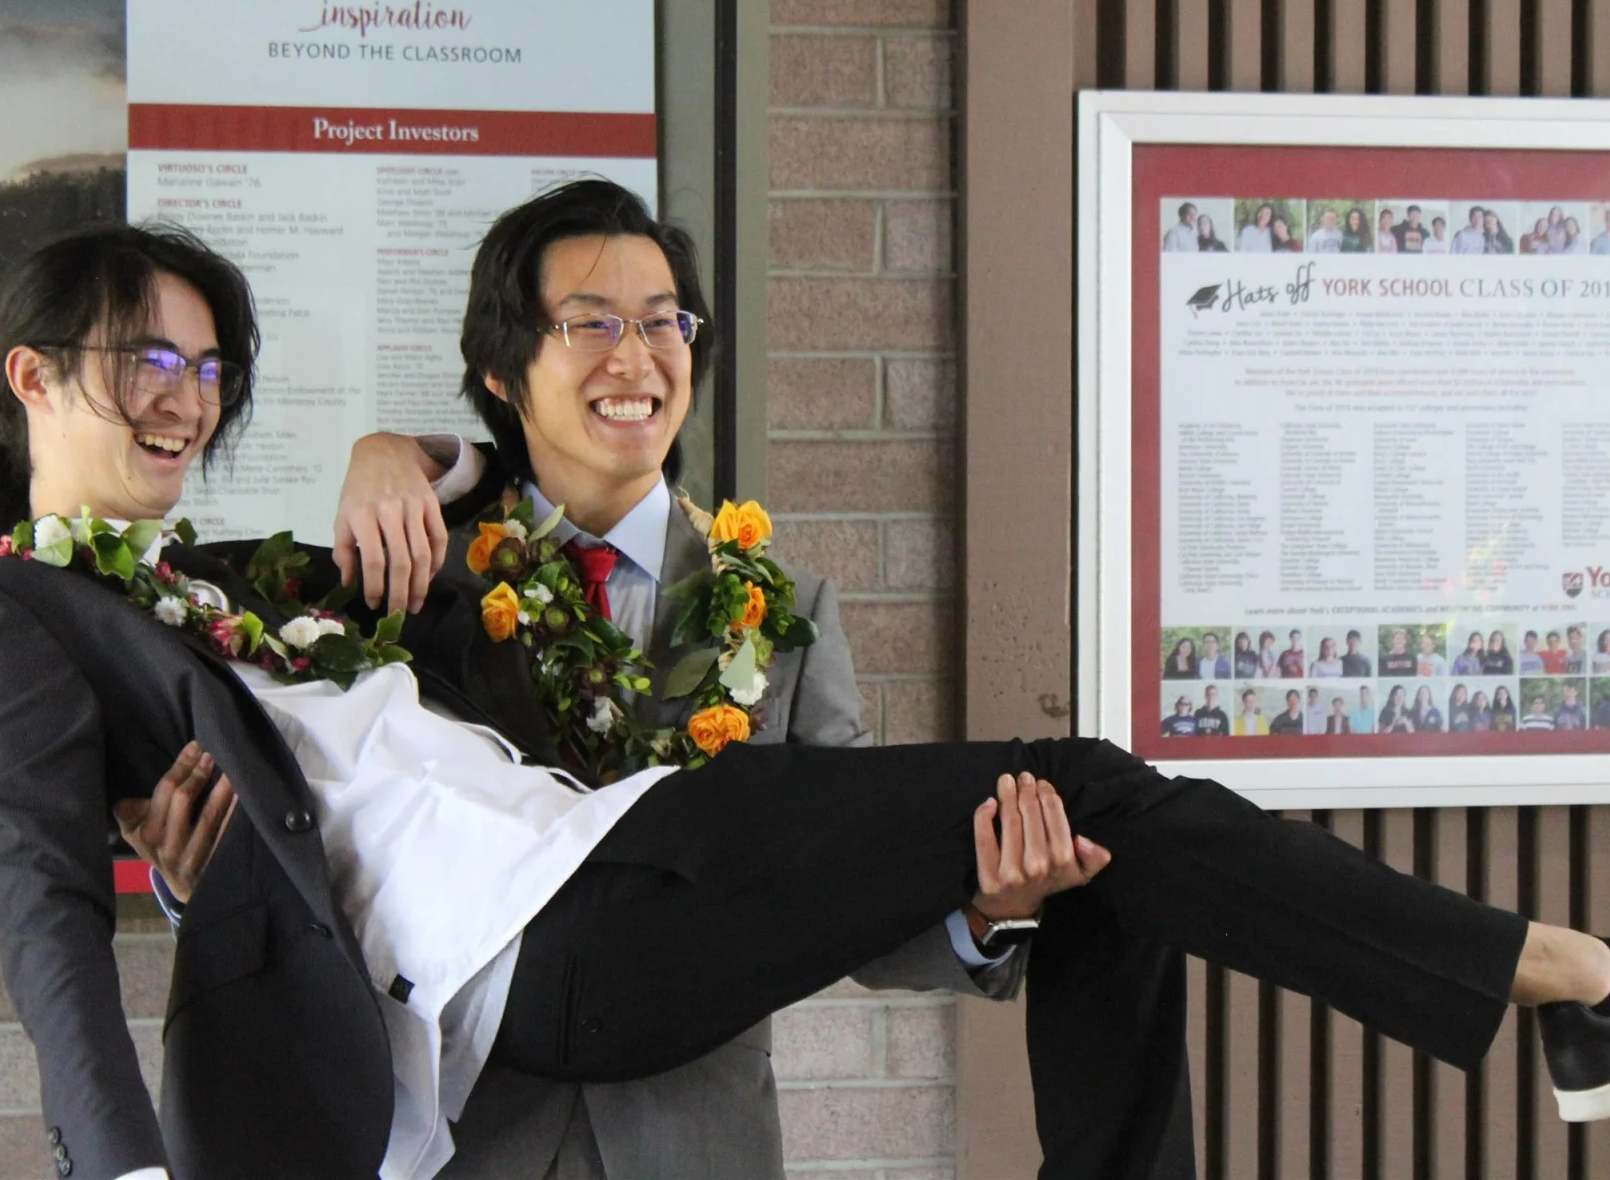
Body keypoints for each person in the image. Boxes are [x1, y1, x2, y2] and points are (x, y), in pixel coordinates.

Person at [0, 225, 1610, 1180]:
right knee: (1096, 770)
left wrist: (364, 444)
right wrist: (124, 1164)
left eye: (207, 362)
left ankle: (1578, 998)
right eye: (140, 358)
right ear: (32, 374)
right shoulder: (9, 614)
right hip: (537, 942)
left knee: (1099, 829)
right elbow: (31, 887)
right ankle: (1579, 983)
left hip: (604, 890)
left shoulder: (241, 585)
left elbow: (406, 542)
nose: (183, 391)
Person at [221, 181, 1038, 1179]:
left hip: (699, 1149)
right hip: (467, 1141)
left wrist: (987, 913)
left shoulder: (787, 614)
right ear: (501, 368)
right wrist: (194, 885)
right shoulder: (416, 583)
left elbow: (840, 883)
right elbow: (330, 842)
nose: (634, 354)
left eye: (662, 322)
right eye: (589, 322)